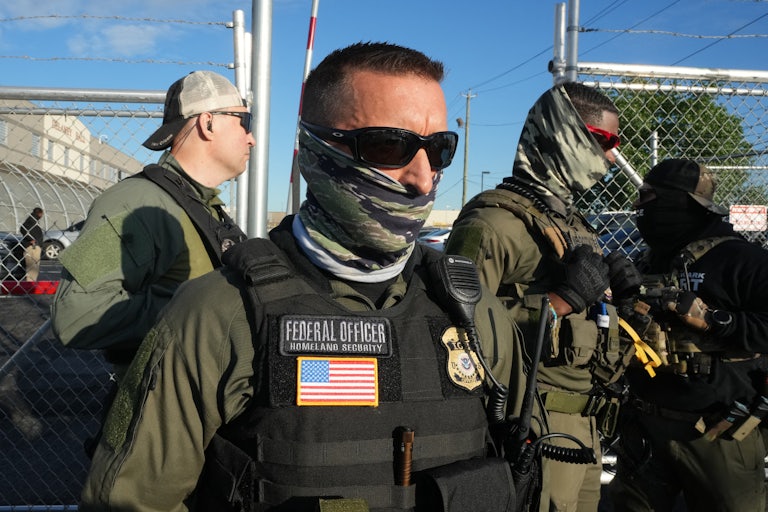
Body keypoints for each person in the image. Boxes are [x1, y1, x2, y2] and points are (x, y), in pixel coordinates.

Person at [80, 42, 530, 512]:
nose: (423, 177)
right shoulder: (146, 227)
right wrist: (188, 320)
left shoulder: (465, 302)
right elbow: (78, 317)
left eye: (440, 149)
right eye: (389, 146)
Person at [444, 82, 636, 512]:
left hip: (584, 430)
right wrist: (561, 299)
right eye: (605, 141)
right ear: (564, 134)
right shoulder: (492, 222)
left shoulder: (574, 224)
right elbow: (452, 332)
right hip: (531, 424)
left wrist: (622, 299)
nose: (611, 157)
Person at [51, 70, 251, 377]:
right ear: (208, 123)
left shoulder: (207, 207)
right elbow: (76, 313)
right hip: (164, 410)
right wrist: (206, 309)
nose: (250, 137)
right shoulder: (130, 202)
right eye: (244, 122)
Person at [607, 158, 768, 511]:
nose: (638, 207)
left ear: (681, 201)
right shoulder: (648, 261)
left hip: (717, 432)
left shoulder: (743, 259)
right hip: (645, 428)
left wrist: (715, 320)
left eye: (649, 197)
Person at [19, 207, 44, 281]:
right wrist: (31, 239)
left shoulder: (32, 220)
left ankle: (30, 283)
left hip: (32, 245)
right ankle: (30, 284)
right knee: (33, 267)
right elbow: (22, 228)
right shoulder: (32, 221)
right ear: (39, 213)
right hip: (33, 247)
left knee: (31, 267)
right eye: (41, 214)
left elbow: (22, 228)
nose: (42, 216)